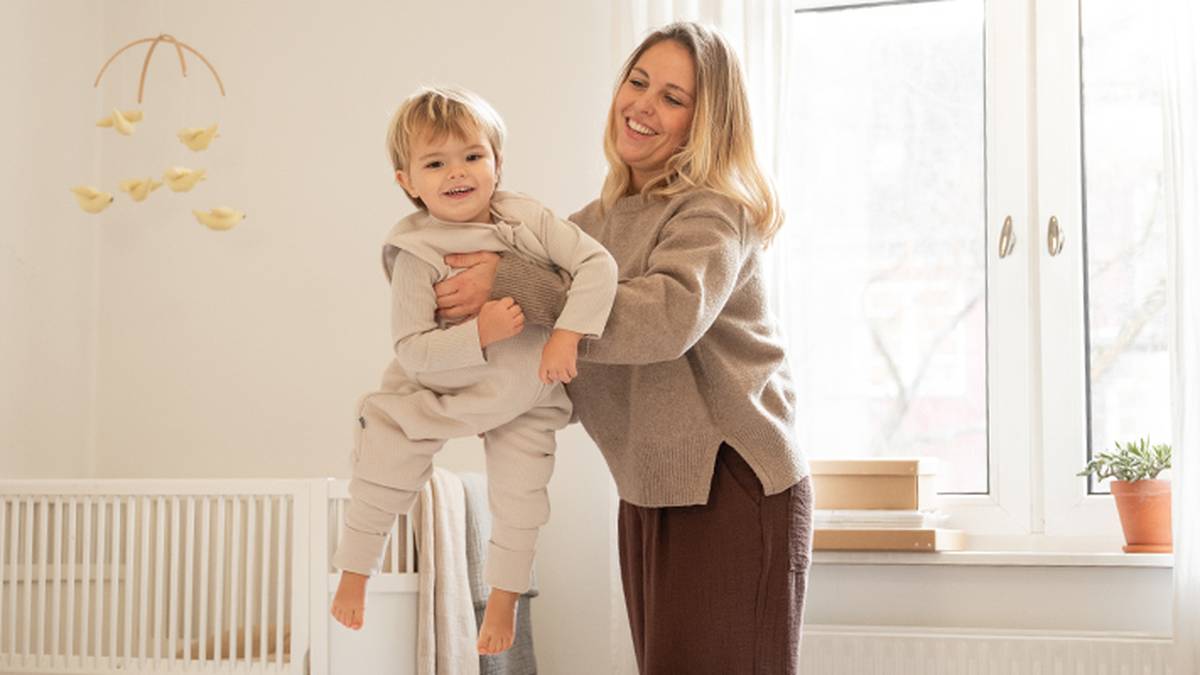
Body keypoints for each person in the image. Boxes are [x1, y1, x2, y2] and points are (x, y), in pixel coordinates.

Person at [431, 23, 814, 673]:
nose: (642, 105)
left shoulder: (715, 210)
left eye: (673, 97)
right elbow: (542, 338)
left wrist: (512, 281)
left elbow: (663, 319)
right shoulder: (594, 224)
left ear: (706, 121)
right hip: (649, 485)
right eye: (637, 82)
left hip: (732, 480)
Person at [328, 86, 618, 655]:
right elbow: (413, 349)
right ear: (407, 181)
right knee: (386, 455)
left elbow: (597, 265)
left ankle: (505, 596)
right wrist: (478, 333)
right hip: (440, 388)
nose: (456, 173)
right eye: (435, 163)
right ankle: (355, 571)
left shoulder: (526, 217)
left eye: (472, 156)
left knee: (522, 497)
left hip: (526, 389)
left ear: (497, 162)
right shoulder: (416, 253)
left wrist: (565, 335)